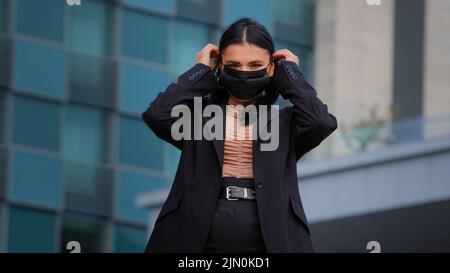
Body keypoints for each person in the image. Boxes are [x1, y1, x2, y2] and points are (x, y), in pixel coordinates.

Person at [141, 17, 338, 253]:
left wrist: (291, 73)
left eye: (255, 65)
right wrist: (201, 71)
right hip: (195, 232)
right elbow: (157, 115)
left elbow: (321, 122)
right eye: (234, 65)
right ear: (221, 66)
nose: (244, 72)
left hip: (271, 235)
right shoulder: (197, 116)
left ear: (271, 66)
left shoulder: (286, 122)